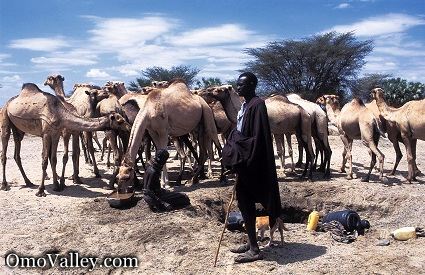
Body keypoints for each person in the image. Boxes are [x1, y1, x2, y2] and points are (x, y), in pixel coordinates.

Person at [222, 72, 282, 263]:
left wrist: (241, 158)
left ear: (252, 85)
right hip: (244, 161)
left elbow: (257, 138)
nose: (238, 87)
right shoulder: (245, 106)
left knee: (247, 203)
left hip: (252, 163)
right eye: (237, 84)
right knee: (244, 204)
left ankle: (255, 250)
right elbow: (241, 132)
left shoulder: (257, 105)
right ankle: (251, 242)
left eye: (242, 85)